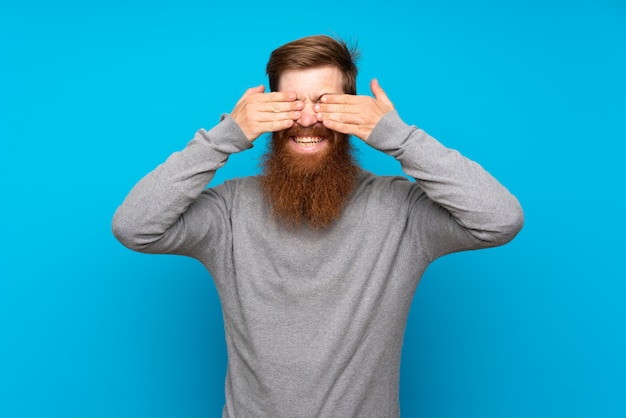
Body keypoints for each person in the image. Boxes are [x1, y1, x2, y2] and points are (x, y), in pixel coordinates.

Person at [112, 35, 524, 417]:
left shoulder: (401, 211)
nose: (307, 119)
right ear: (268, 109)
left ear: (354, 110)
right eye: (291, 103)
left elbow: (500, 220)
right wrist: (227, 135)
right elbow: (135, 227)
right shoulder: (231, 210)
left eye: (325, 102)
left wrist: (399, 137)